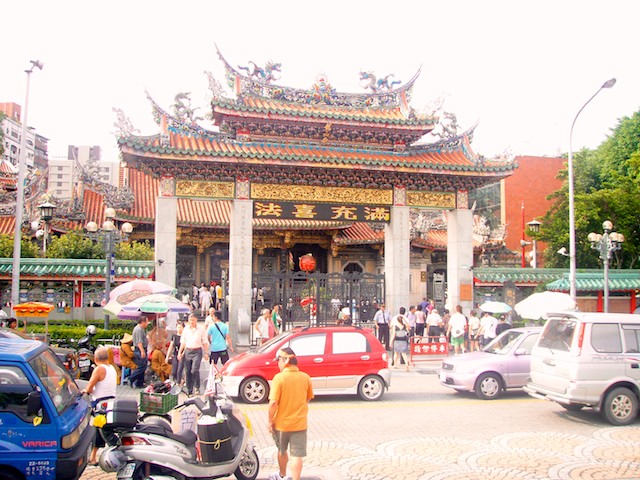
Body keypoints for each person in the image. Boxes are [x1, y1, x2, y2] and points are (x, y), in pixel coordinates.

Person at [268, 347, 314, 480]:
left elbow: (273, 403)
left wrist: (270, 421)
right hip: (299, 423)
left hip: (281, 424)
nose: (278, 364)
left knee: (282, 451)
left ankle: (282, 475)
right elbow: (308, 397)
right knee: (297, 455)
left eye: (279, 361)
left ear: (285, 361)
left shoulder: (279, 378)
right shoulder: (305, 377)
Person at [82, 346, 117, 466]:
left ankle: (120, 454)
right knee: (98, 430)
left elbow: (89, 387)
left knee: (105, 432)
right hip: (109, 403)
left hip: (100, 405)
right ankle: (92, 457)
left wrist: (85, 391)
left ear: (95, 359)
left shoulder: (99, 369)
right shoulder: (111, 367)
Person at [178, 313, 209, 396]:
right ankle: (189, 389)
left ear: (196, 320)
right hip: (188, 351)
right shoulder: (185, 329)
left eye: (193, 320)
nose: (191, 322)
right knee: (187, 371)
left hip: (197, 351)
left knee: (194, 370)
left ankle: (197, 386)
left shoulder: (201, 329)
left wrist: (206, 353)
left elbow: (205, 342)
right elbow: (183, 342)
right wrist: (180, 352)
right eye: (190, 320)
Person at [129, 316, 150, 389]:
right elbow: (139, 342)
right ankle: (131, 378)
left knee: (143, 366)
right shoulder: (138, 330)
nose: (147, 324)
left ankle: (140, 383)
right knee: (141, 366)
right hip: (139, 349)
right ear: (143, 322)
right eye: (146, 322)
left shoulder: (141, 329)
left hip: (141, 349)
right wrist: (142, 351)